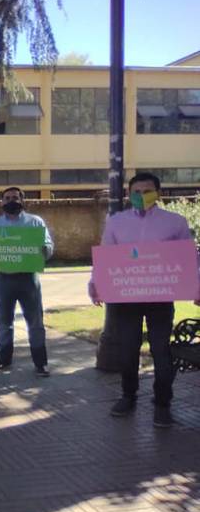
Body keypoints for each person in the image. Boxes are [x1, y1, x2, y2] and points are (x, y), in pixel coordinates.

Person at [89, 172, 200, 428]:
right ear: (129, 194)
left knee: (161, 352)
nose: (141, 196)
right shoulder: (117, 222)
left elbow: (189, 259)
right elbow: (106, 257)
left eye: (147, 190)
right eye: (136, 192)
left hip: (161, 298)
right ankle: (128, 396)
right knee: (128, 350)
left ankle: (162, 404)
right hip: (126, 298)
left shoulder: (175, 222)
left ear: (157, 193)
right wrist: (95, 283)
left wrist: (197, 286)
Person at [0, 187, 54, 377]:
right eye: (7, 198)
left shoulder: (35, 222)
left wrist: (44, 249)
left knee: (35, 322)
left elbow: (48, 246)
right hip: (3, 278)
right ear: (2, 202)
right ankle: (4, 359)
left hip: (28, 278)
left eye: (15, 198)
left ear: (22, 200)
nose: (11, 201)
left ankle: (41, 363)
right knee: (4, 321)